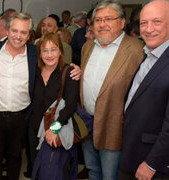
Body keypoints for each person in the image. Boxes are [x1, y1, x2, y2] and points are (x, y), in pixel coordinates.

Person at [80, 0, 144, 179]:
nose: (102, 24)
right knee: (93, 171)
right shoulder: (88, 47)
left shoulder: (137, 50)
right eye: (98, 20)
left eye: (108, 19)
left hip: (114, 127)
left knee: (111, 176)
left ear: (122, 22)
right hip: (87, 124)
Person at [0, 13, 37, 180]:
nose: (18, 36)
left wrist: (73, 69)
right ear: (8, 30)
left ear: (29, 35)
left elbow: (55, 65)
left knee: (15, 158)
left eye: (23, 32)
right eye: (15, 30)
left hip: (21, 118)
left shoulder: (35, 54)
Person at [119, 0, 169, 179]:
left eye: (157, 22)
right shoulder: (148, 53)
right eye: (143, 23)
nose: (148, 29)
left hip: (153, 163)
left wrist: (152, 163)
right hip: (132, 150)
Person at [29, 32, 79, 179]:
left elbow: (70, 106)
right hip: (34, 131)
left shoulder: (68, 72)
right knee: (37, 169)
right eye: (45, 50)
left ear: (61, 52)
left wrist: (54, 129)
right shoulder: (35, 72)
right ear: (40, 53)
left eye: (54, 49)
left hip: (57, 131)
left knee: (54, 172)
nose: (49, 54)